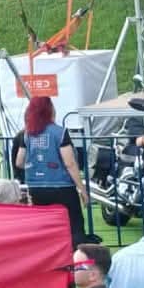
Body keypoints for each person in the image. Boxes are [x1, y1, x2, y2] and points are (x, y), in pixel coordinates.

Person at [13, 92, 88, 243]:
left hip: (36, 188)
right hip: (62, 187)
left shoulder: (27, 134)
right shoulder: (60, 132)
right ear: (50, 110)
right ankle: (76, 255)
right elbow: (69, 163)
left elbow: (19, 162)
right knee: (74, 226)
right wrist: (82, 189)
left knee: (44, 228)